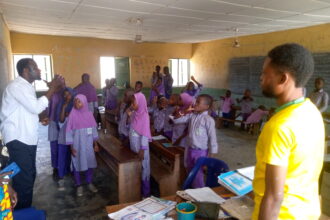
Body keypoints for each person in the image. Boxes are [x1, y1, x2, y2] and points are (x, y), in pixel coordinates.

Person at [253, 43, 325, 220]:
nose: (260, 78)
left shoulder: (279, 126)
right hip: (306, 212)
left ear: (282, 79)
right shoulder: (311, 111)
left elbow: (274, 197)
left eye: (265, 73)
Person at [0, 58, 63, 209]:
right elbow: (34, 107)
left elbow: (26, 111)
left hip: (25, 138)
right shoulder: (17, 86)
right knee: (25, 179)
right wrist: (52, 89)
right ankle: (23, 211)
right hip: (18, 139)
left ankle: (11, 202)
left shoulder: (25, 87)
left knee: (23, 173)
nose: (39, 70)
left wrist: (39, 119)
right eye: (35, 67)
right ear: (26, 71)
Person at [172, 94, 218, 188]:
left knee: (198, 178)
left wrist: (209, 160)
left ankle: (199, 198)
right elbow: (176, 120)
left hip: (200, 153)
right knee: (190, 175)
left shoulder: (208, 120)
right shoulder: (192, 116)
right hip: (189, 150)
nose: (195, 104)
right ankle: (192, 195)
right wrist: (185, 110)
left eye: (198, 102)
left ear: (206, 106)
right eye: (195, 101)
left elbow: (213, 142)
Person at [65, 94, 99, 197]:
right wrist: (71, 147)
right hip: (77, 145)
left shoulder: (89, 114)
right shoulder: (72, 115)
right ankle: (78, 184)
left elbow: (93, 130)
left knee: (90, 162)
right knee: (77, 163)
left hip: (88, 145)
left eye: (79, 101)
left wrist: (95, 144)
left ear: (84, 102)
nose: (76, 103)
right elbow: (69, 132)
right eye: (75, 101)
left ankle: (89, 182)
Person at [126, 81, 151, 198]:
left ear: (141, 102)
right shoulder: (136, 114)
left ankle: (145, 193)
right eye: (131, 102)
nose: (132, 104)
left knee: (144, 168)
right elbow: (131, 127)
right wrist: (128, 114)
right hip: (134, 146)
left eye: (134, 102)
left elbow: (145, 133)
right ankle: (137, 190)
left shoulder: (144, 116)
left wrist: (142, 149)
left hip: (141, 149)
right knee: (137, 169)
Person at [56, 87, 76, 190]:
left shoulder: (75, 103)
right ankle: (61, 175)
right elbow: (61, 119)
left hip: (74, 133)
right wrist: (64, 107)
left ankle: (74, 173)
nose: (66, 96)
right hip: (64, 133)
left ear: (72, 94)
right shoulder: (61, 104)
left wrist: (70, 115)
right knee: (62, 154)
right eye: (64, 95)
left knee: (73, 153)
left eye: (68, 94)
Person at [48, 84, 65, 180]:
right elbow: (48, 109)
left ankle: (63, 166)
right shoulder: (52, 94)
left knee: (63, 146)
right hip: (53, 122)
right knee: (54, 146)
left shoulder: (66, 94)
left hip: (63, 123)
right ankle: (55, 167)